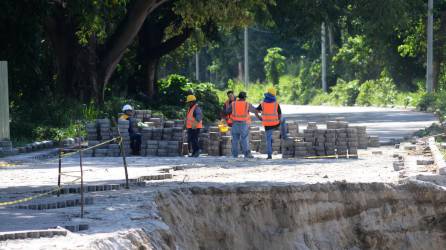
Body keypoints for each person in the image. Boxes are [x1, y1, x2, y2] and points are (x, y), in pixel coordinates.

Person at [225, 91, 260, 158]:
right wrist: (260, 112)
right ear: (244, 98)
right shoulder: (247, 104)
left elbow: (227, 111)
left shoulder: (233, 104)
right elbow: (254, 110)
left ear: (239, 97)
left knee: (235, 140)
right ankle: (246, 154)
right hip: (244, 124)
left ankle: (235, 155)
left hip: (235, 124)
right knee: (244, 139)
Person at [257, 87, 287, 159]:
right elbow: (280, 115)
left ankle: (269, 155)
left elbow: (256, 111)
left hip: (267, 125)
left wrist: (259, 118)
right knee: (283, 120)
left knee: (268, 140)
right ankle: (284, 136)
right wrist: (279, 120)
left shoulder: (262, 104)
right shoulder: (276, 104)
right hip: (275, 123)